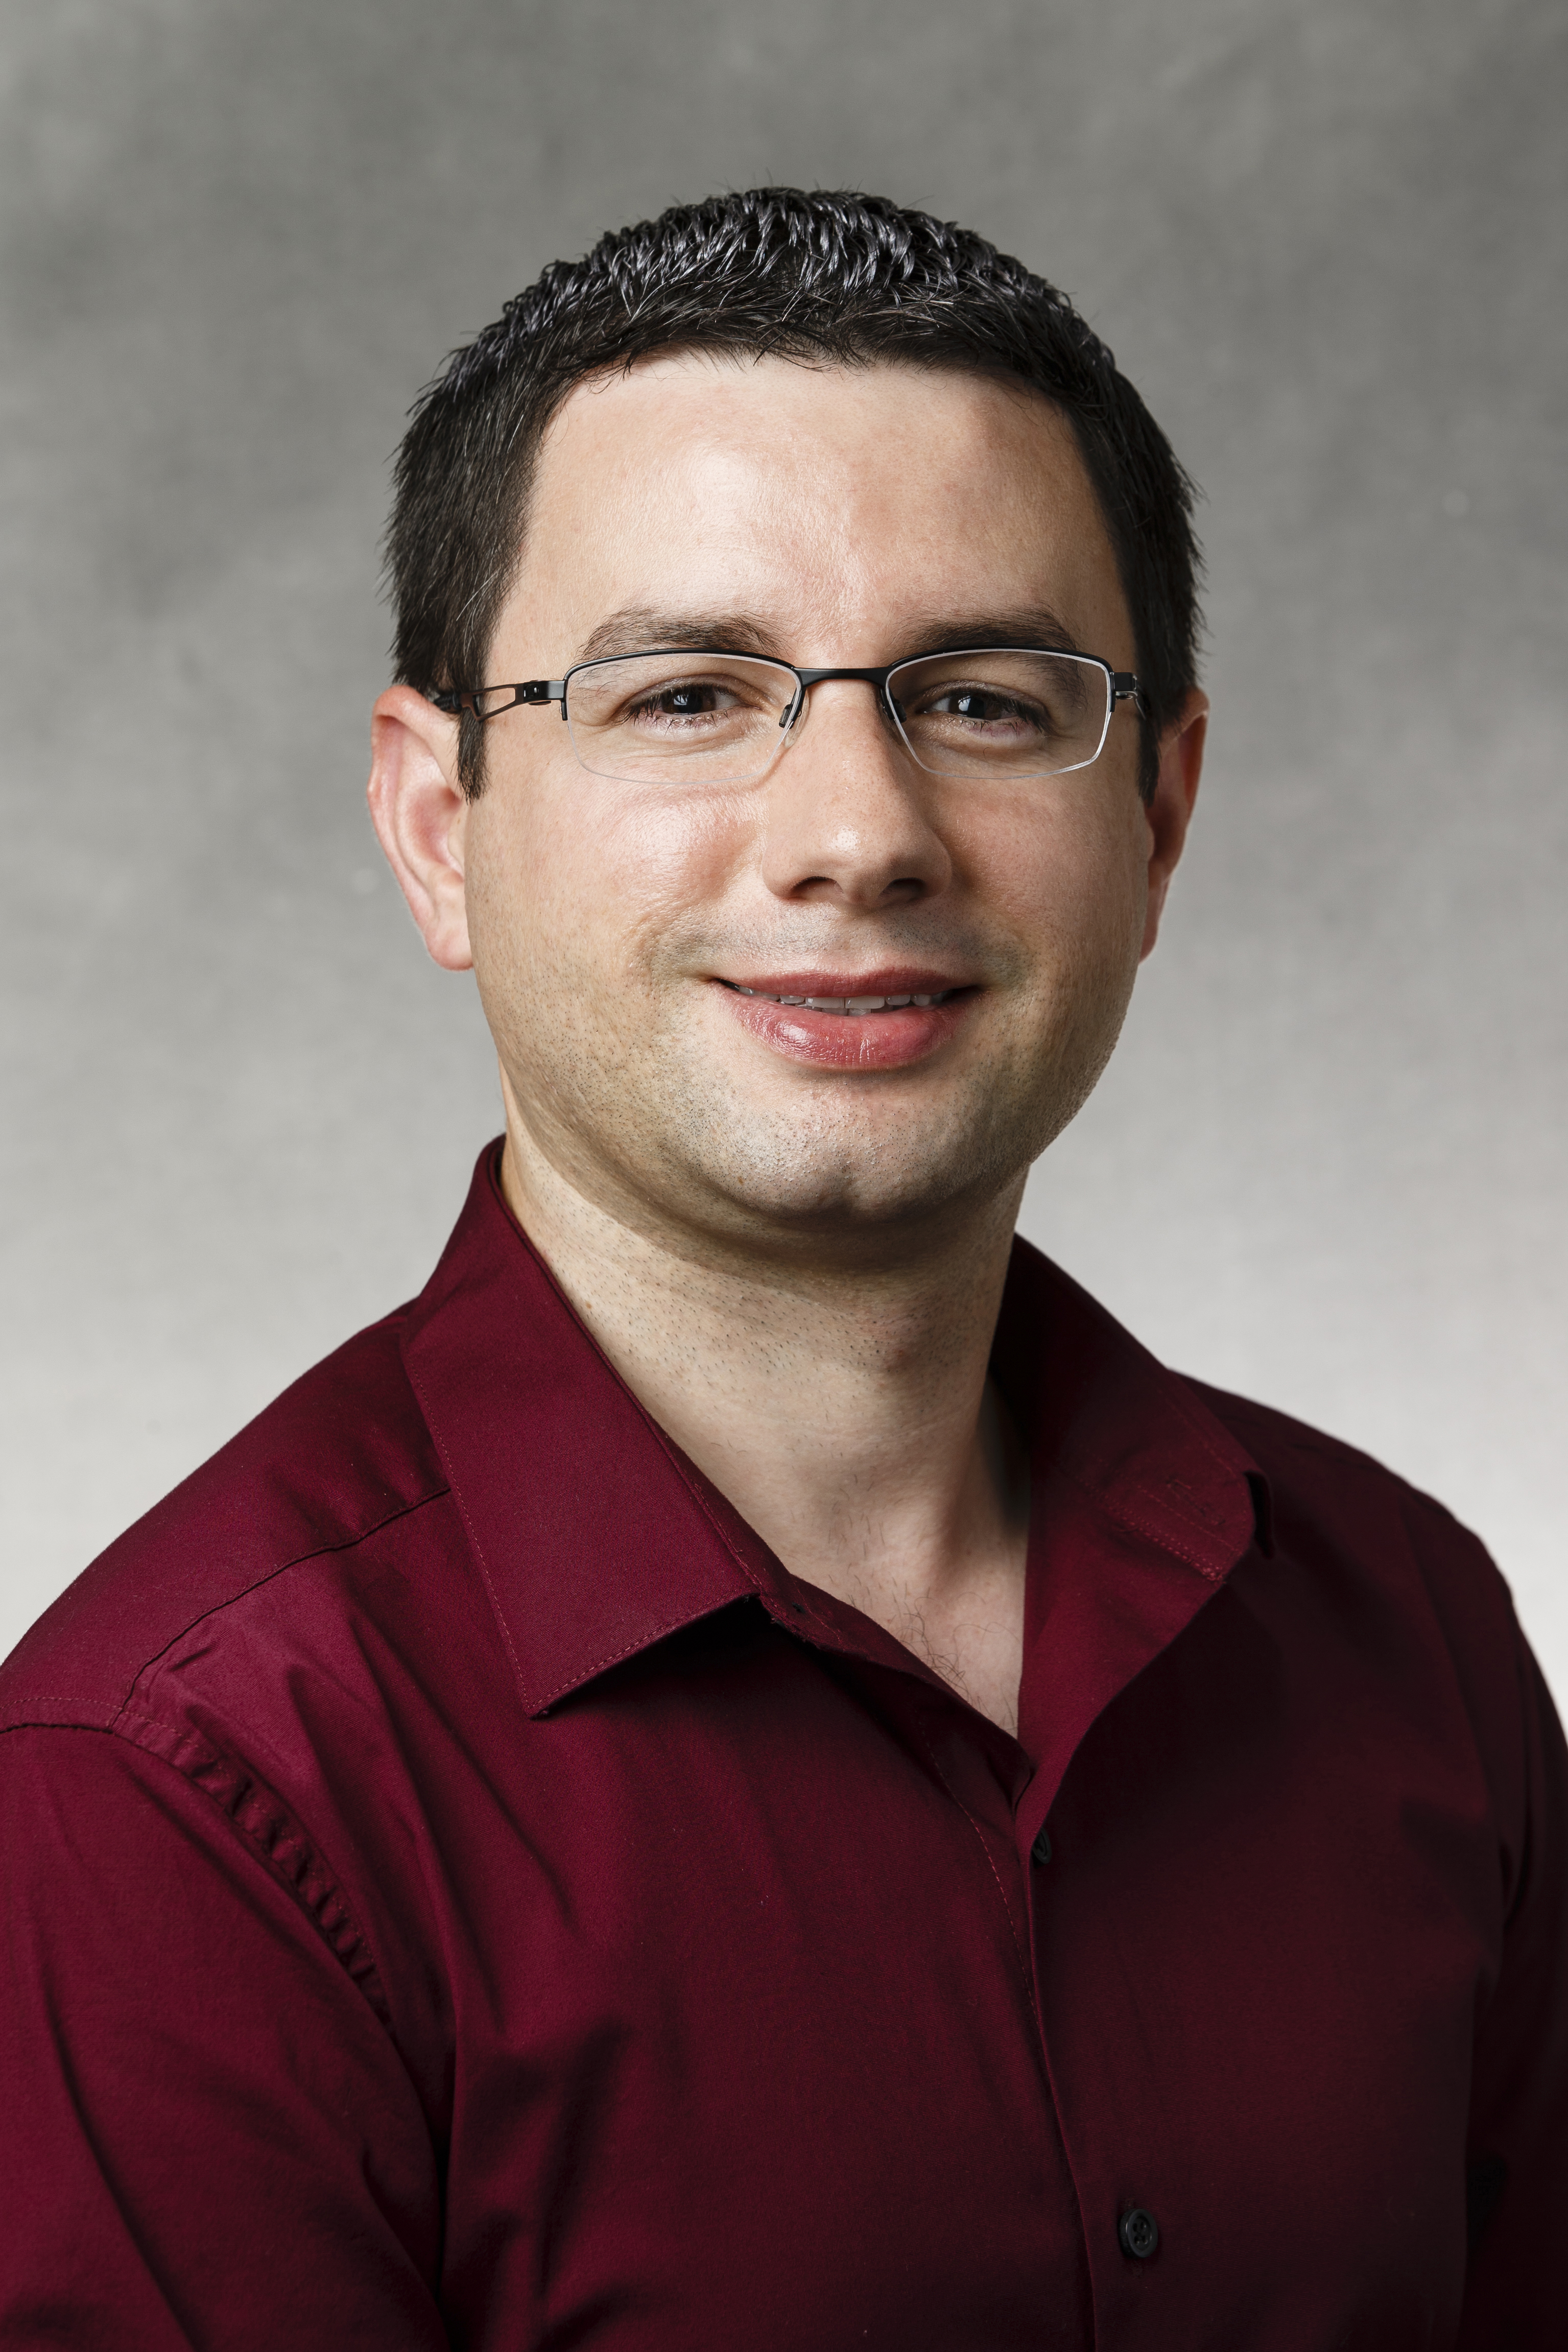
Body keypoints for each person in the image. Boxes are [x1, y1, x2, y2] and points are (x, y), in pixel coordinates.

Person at [2, 187, 1562, 2350]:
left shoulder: (1418, 1642)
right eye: (689, 693)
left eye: (989, 700)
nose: (857, 830)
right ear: (441, 825)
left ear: (1164, 823)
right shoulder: (169, 1799)